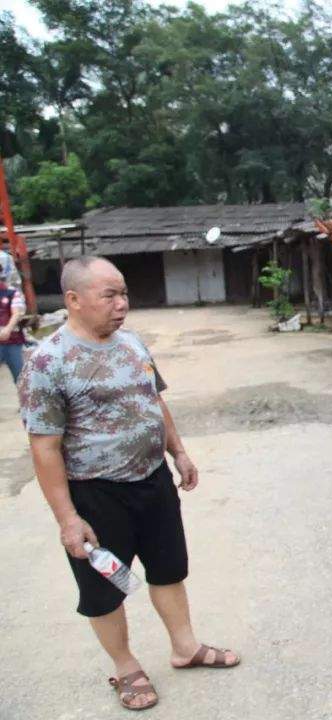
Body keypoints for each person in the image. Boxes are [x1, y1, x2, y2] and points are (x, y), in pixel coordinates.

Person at [18, 256, 239, 712]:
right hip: (95, 494)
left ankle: (184, 647)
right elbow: (44, 448)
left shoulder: (133, 343)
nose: (122, 305)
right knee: (103, 589)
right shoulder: (47, 361)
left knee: (169, 569)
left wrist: (178, 451)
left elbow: (153, 400)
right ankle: (125, 666)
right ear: (74, 300)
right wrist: (67, 518)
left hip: (152, 481)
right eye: (110, 296)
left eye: (124, 294)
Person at [0, 257, 27, 385]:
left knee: (20, 377)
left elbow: (16, 313)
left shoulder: (11, 292)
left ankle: (27, 403)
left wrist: (7, 329)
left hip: (12, 340)